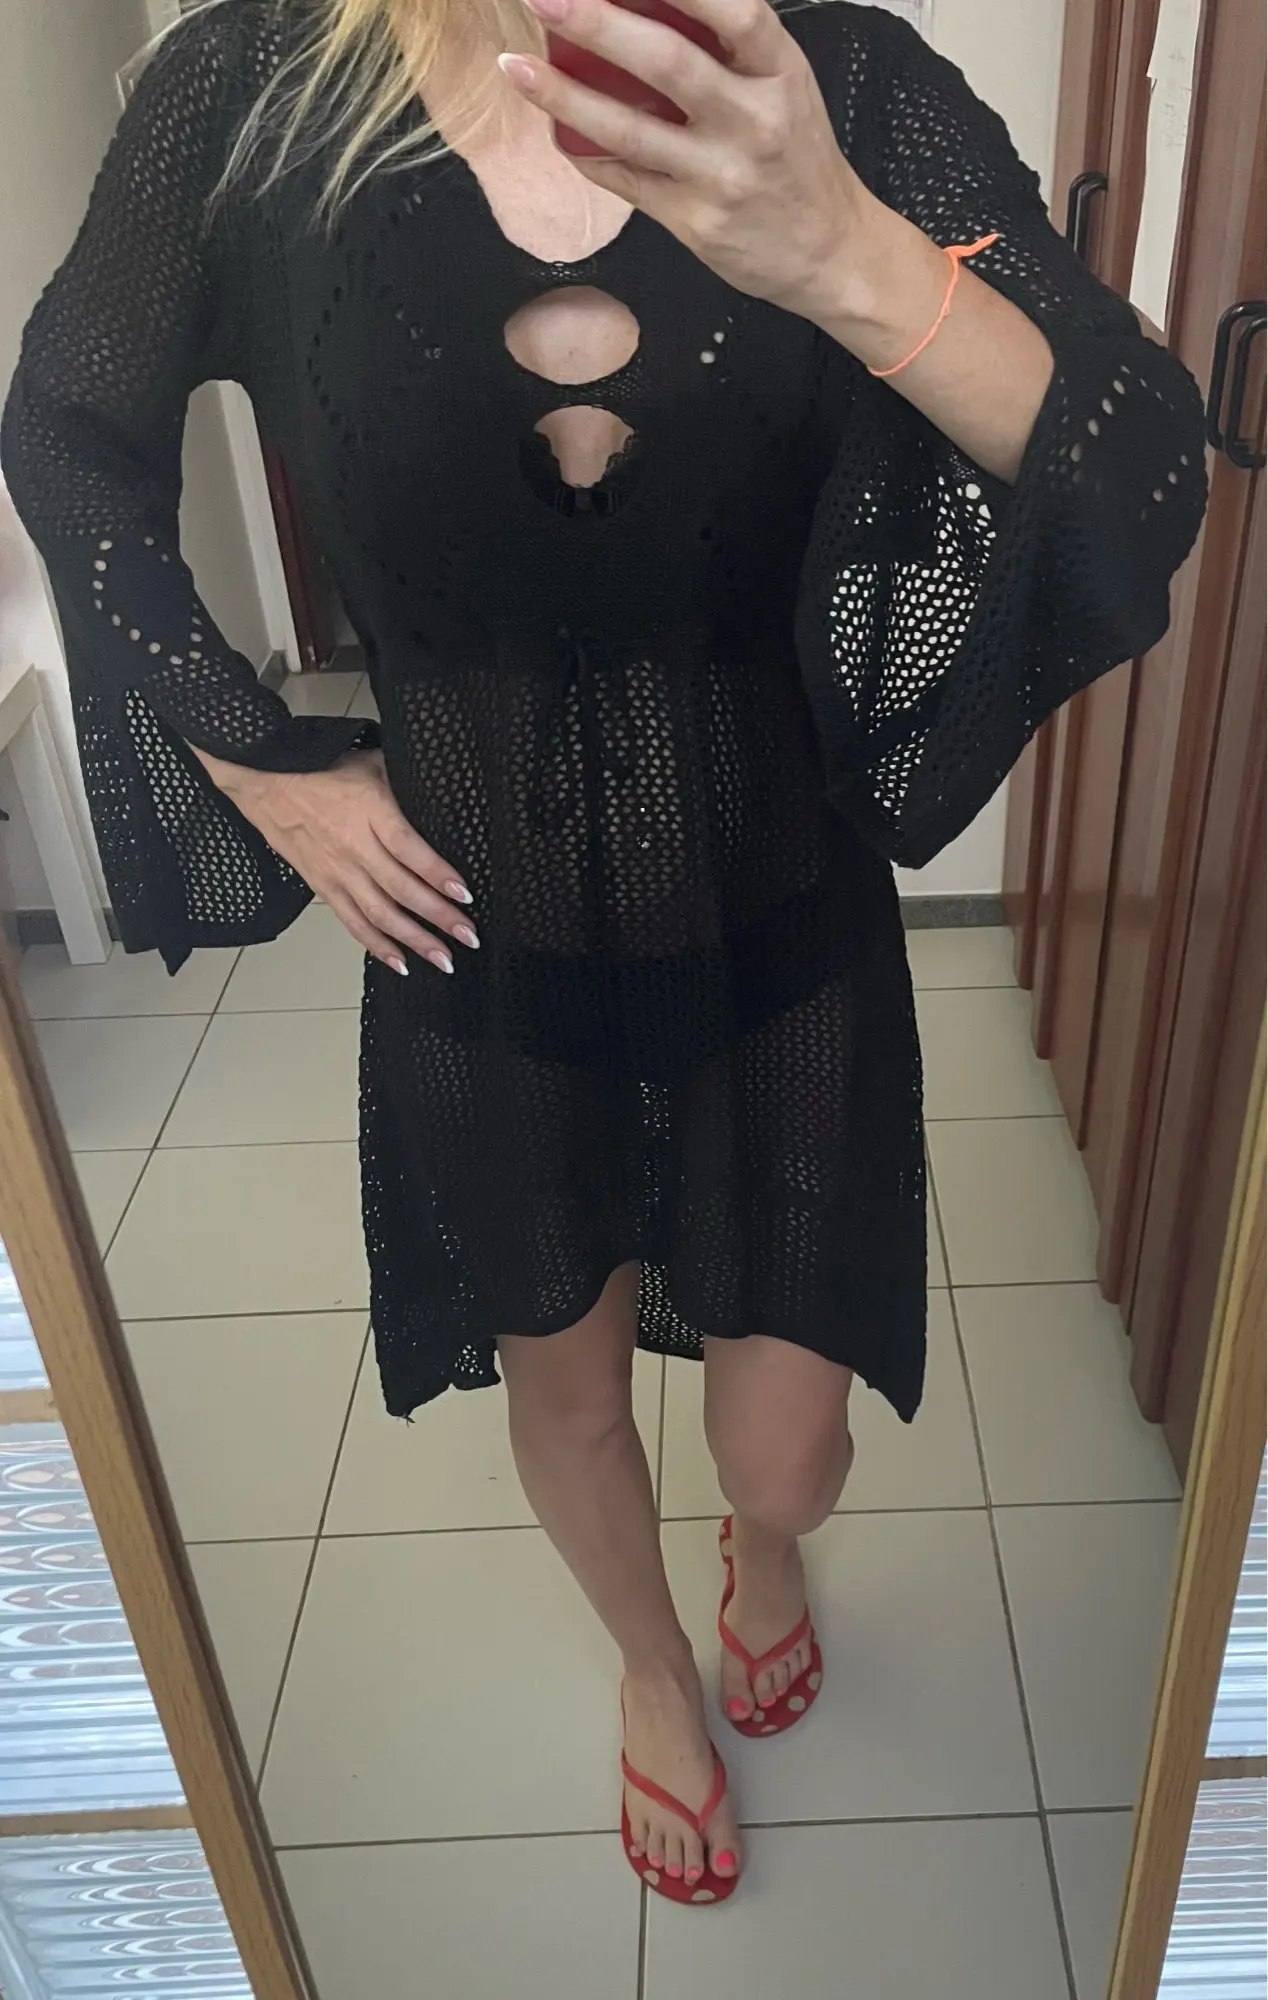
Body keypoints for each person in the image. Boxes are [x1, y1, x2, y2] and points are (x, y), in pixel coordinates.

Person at [3, 0, 1205, 1905]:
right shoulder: (249, 93)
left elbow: (1139, 473)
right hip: (477, 950)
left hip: (783, 927)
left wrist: (840, 245)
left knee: (788, 1458)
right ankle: (653, 1666)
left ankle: (765, 1552)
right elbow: (66, 439)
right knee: (561, 1398)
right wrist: (255, 758)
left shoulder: (849, 85)